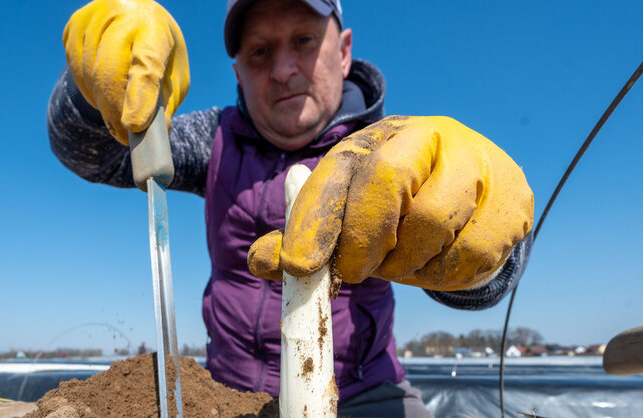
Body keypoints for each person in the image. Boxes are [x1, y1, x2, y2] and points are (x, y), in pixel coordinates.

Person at [48, 0, 534, 415]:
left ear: (343, 51)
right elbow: (94, 153)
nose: (282, 70)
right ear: (238, 71)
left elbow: (485, 284)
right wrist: (98, 87)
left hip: (366, 395)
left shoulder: (394, 153)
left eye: (303, 41)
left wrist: (481, 248)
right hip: (228, 395)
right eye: (260, 52)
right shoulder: (214, 140)